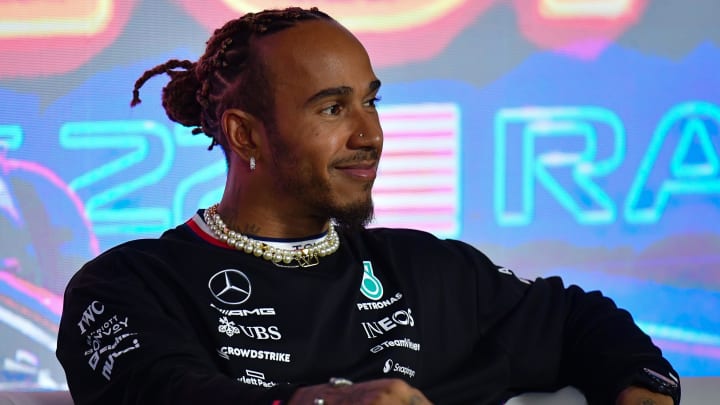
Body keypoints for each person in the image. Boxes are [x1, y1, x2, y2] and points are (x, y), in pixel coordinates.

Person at [56, 6, 681, 405]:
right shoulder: (128, 284)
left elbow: (577, 322)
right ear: (246, 134)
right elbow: (160, 393)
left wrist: (642, 388)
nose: (369, 134)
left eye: (370, 102)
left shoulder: (431, 270)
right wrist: (323, 402)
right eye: (333, 108)